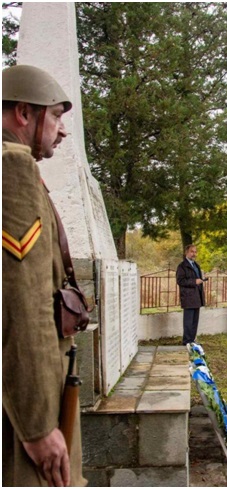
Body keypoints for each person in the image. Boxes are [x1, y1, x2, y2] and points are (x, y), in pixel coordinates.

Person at [3, 65, 85, 486]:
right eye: (55, 115)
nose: (62, 130)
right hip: (22, 407)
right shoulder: (12, 167)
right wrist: (36, 425)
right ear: (23, 113)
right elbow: (23, 302)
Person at [176, 244, 206, 345]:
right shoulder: (182, 266)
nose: (194, 254)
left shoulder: (196, 265)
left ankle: (192, 341)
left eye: (195, 252)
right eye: (192, 252)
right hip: (188, 297)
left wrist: (200, 281)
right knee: (188, 322)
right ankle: (186, 342)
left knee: (194, 322)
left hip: (197, 296)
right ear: (186, 253)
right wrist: (194, 281)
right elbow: (180, 281)